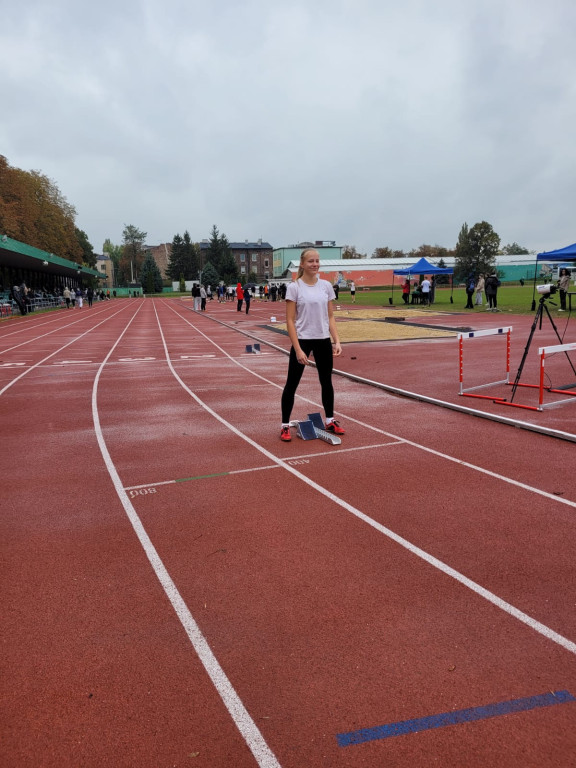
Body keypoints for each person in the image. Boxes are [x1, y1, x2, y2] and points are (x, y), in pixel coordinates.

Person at [280, 248, 344, 442]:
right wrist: (298, 349)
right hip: (303, 339)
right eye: (311, 261)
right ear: (302, 264)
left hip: (323, 339)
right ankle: (284, 425)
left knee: (326, 381)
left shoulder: (325, 286)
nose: (315, 264)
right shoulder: (295, 287)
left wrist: (336, 340)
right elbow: (290, 320)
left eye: (317, 261)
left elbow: (330, 316)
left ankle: (330, 420)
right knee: (292, 383)